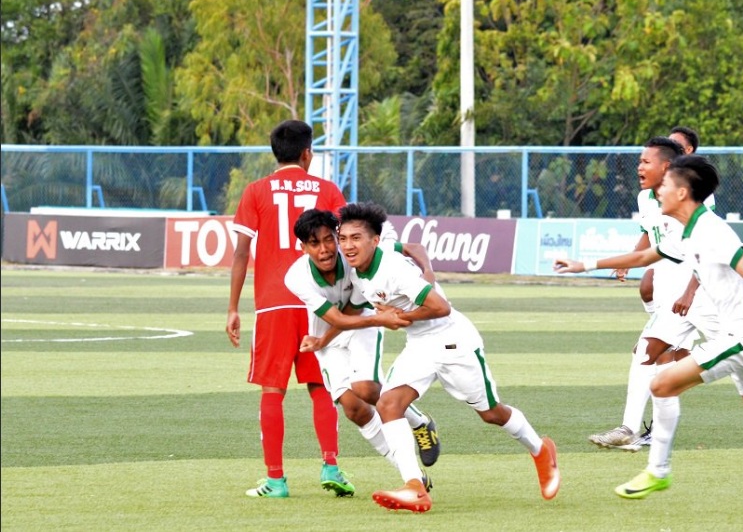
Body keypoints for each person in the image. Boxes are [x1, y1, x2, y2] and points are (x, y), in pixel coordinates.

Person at [555, 154, 743, 512]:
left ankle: (658, 470)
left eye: (666, 185)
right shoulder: (686, 232)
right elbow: (643, 259)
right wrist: (584, 265)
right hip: (742, 332)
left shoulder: (712, 231)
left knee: (661, 384)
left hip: (741, 334)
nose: (660, 191)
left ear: (683, 192)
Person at [590, 132, 743, 452]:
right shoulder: (647, 198)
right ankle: (630, 429)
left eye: (646, 160)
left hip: (703, 295)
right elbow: (648, 240)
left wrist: (691, 290)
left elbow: (708, 252)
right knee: (645, 353)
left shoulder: (695, 199)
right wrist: (620, 264)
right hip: (672, 296)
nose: (640, 165)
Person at [337, 201, 561, 513]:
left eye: (356, 238)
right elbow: (413, 247)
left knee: (491, 413)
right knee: (389, 404)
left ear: (374, 240)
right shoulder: (359, 265)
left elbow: (440, 307)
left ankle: (541, 451)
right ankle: (415, 487)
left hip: (452, 340)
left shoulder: (392, 269)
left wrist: (401, 314)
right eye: (343, 237)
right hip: (419, 344)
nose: (348, 245)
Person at [226, 119, 351, 499]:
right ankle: (331, 465)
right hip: (319, 300)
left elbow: (242, 252)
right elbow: (344, 242)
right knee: (320, 387)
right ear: (307, 153)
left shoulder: (256, 191)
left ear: (274, 153)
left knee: (272, 390)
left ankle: (276, 480)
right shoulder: (327, 189)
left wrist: (232, 308)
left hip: (273, 302)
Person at [284, 208, 442, 482]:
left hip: (362, 324)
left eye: (328, 239)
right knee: (354, 409)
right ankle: (414, 473)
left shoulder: (353, 250)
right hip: (332, 335)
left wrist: (428, 273)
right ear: (303, 247)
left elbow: (413, 247)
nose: (324, 250)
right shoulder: (297, 277)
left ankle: (420, 424)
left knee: (366, 388)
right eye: (314, 243)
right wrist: (323, 340)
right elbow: (336, 318)